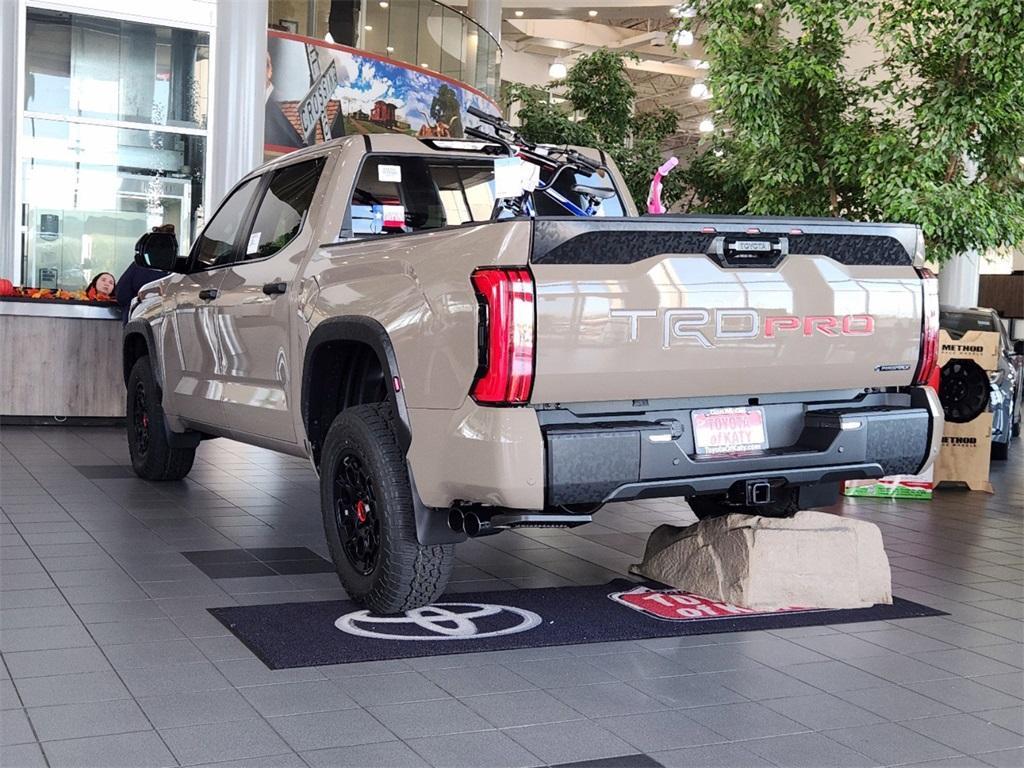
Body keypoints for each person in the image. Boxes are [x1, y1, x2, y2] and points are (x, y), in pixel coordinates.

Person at [116, 225, 174, 324]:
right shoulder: (175, 269)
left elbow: (122, 294)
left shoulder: (139, 264)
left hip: (137, 320)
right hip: (167, 322)